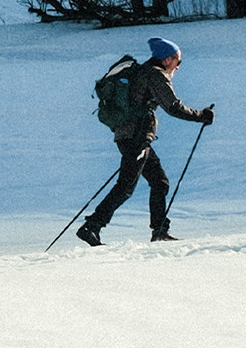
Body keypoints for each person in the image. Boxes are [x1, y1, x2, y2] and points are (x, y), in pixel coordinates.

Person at [77, 36, 213, 246]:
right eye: (178, 61)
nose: (178, 67)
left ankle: (159, 231)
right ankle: (91, 226)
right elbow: (173, 106)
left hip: (134, 137)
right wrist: (200, 115)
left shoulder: (143, 72)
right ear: (167, 59)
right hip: (135, 138)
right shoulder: (155, 75)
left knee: (160, 182)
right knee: (126, 187)